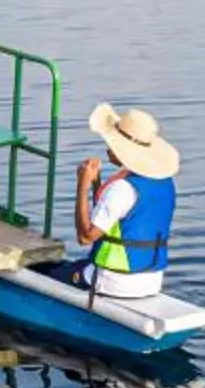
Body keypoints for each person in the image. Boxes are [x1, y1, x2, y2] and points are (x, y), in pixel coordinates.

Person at [59, 102, 180, 299]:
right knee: (72, 265)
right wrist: (96, 182)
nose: (108, 146)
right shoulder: (165, 183)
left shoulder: (122, 188)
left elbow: (85, 237)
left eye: (112, 142)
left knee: (47, 270)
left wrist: (83, 183)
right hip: (152, 280)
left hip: (114, 282)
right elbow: (121, 219)